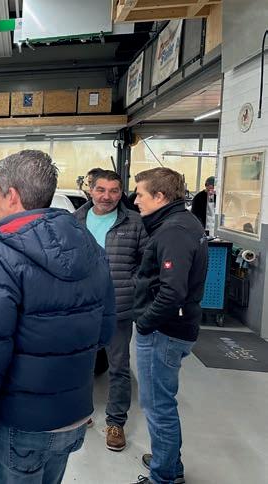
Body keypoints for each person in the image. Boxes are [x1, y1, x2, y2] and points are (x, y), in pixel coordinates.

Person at [0, 150, 115, 484]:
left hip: (21, 424)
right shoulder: (89, 244)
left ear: (12, 195)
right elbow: (105, 331)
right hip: (72, 416)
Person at [131, 167, 208, 484]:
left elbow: (172, 291)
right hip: (176, 327)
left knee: (157, 406)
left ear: (160, 196)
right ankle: (169, 462)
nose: (135, 200)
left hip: (163, 332)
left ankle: (163, 477)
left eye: (140, 194)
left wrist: (145, 323)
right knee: (161, 402)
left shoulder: (172, 231)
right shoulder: (183, 222)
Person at [74, 169, 148, 452]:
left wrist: (131, 284)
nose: (107, 196)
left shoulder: (135, 222)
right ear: (90, 190)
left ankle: (116, 422)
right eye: (101, 190)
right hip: (82, 307)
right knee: (80, 364)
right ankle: (81, 413)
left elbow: (147, 263)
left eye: (114, 191)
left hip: (118, 307)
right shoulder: (75, 220)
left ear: (121, 193)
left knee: (118, 367)